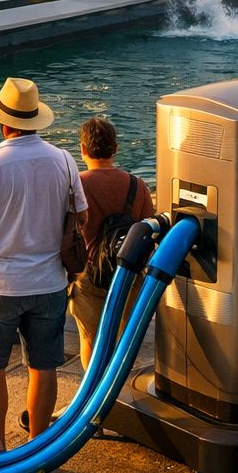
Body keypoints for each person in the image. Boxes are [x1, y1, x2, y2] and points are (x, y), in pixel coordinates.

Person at [0, 77, 87, 455]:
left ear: (3, 122)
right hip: (49, 282)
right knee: (43, 366)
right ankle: (37, 447)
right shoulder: (63, 160)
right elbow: (82, 217)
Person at [69, 117, 154, 370]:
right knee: (124, 337)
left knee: (91, 340)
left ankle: (93, 392)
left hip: (88, 275)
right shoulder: (137, 186)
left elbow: (65, 231)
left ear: (83, 149)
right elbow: (149, 228)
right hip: (128, 273)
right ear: (115, 148)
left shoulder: (77, 186)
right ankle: (119, 388)